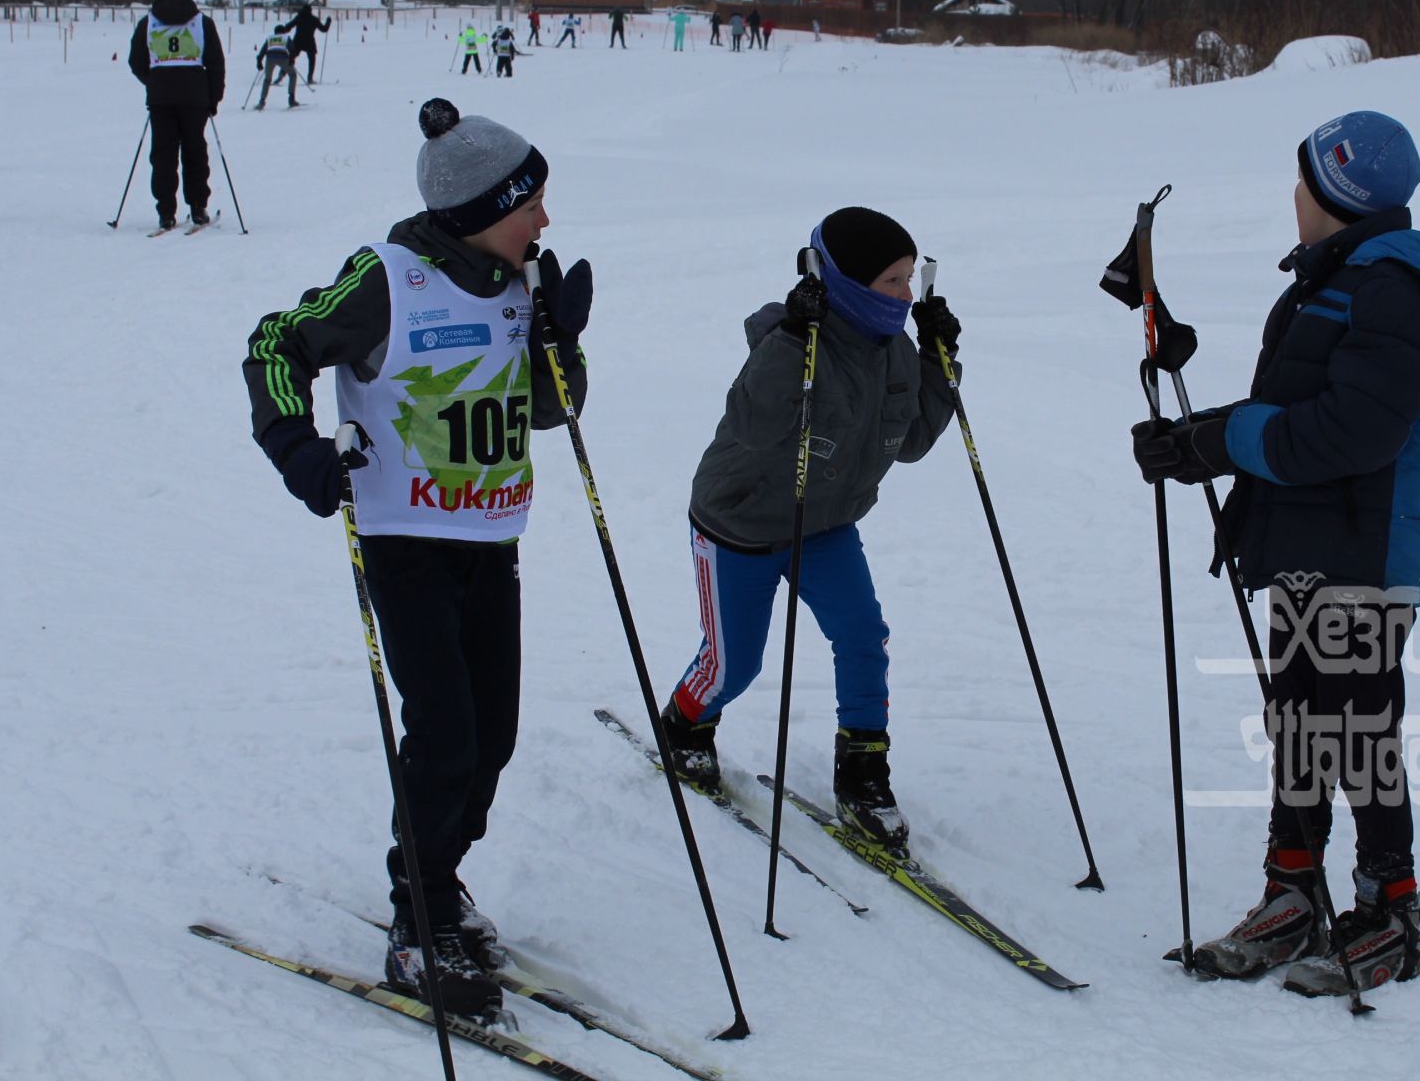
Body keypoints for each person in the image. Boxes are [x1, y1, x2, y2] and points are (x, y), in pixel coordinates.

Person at [241, 97, 594, 1020]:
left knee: (494, 739)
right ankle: (420, 910)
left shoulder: (519, 285)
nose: (546, 221)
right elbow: (277, 342)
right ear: (484, 208)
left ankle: (437, 872)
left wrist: (562, 338)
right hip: (406, 547)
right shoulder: (387, 279)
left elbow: (554, 411)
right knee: (444, 733)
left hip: (491, 546)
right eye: (533, 205)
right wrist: (299, 448)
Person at [1130, 110, 1420, 996]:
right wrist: (1199, 438)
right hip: (1310, 543)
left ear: (1337, 190)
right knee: (1300, 719)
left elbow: (1353, 433)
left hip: (1367, 557)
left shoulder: (1395, 291)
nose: (1293, 193)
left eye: (1304, 178)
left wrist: (1225, 442)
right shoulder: (1339, 278)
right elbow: (1297, 409)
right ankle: (1293, 890)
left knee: (1358, 730)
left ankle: (1391, 910)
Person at [657, 208, 962, 856]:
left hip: (823, 523)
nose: (908, 296)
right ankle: (684, 724)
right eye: (893, 282)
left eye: (913, 279)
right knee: (734, 665)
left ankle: (862, 775)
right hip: (739, 522)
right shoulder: (796, 344)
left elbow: (909, 442)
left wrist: (940, 360)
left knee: (862, 636)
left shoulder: (895, 353)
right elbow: (755, 424)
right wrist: (793, 338)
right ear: (849, 284)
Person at [129, 0, 225, 230]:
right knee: (195, 152)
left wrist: (155, 81)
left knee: (163, 155)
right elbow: (216, 63)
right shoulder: (201, 23)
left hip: (161, 99)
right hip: (194, 98)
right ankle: (198, 208)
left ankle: (166, 213)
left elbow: (136, 61)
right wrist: (213, 98)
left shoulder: (148, 22)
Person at [274, 1, 331, 85]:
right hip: (309, 41)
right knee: (312, 60)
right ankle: (310, 78)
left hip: (298, 41)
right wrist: (328, 22)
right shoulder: (314, 19)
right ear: (310, 11)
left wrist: (280, 31)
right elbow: (324, 29)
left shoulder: (299, 17)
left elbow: (289, 26)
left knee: (291, 58)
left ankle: (281, 74)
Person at [255, 31, 299, 109]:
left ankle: (262, 101)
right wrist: (292, 59)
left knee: (267, 79)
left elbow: (263, 50)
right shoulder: (286, 37)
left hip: (270, 59)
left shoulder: (270, 38)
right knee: (293, 74)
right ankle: (291, 99)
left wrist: (259, 61)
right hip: (283, 58)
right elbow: (293, 50)